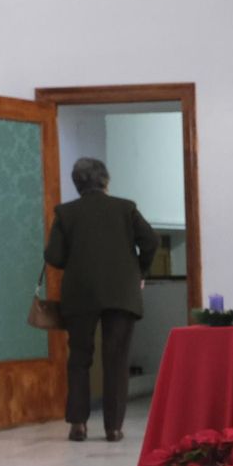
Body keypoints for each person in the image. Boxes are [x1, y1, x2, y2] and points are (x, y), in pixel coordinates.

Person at [43, 157, 157, 443]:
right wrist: (139, 270)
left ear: (76, 184)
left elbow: (54, 257)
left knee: (79, 357)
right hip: (122, 293)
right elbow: (151, 240)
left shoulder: (66, 213)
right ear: (105, 181)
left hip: (80, 294)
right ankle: (113, 427)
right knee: (116, 360)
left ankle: (78, 424)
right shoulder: (125, 208)